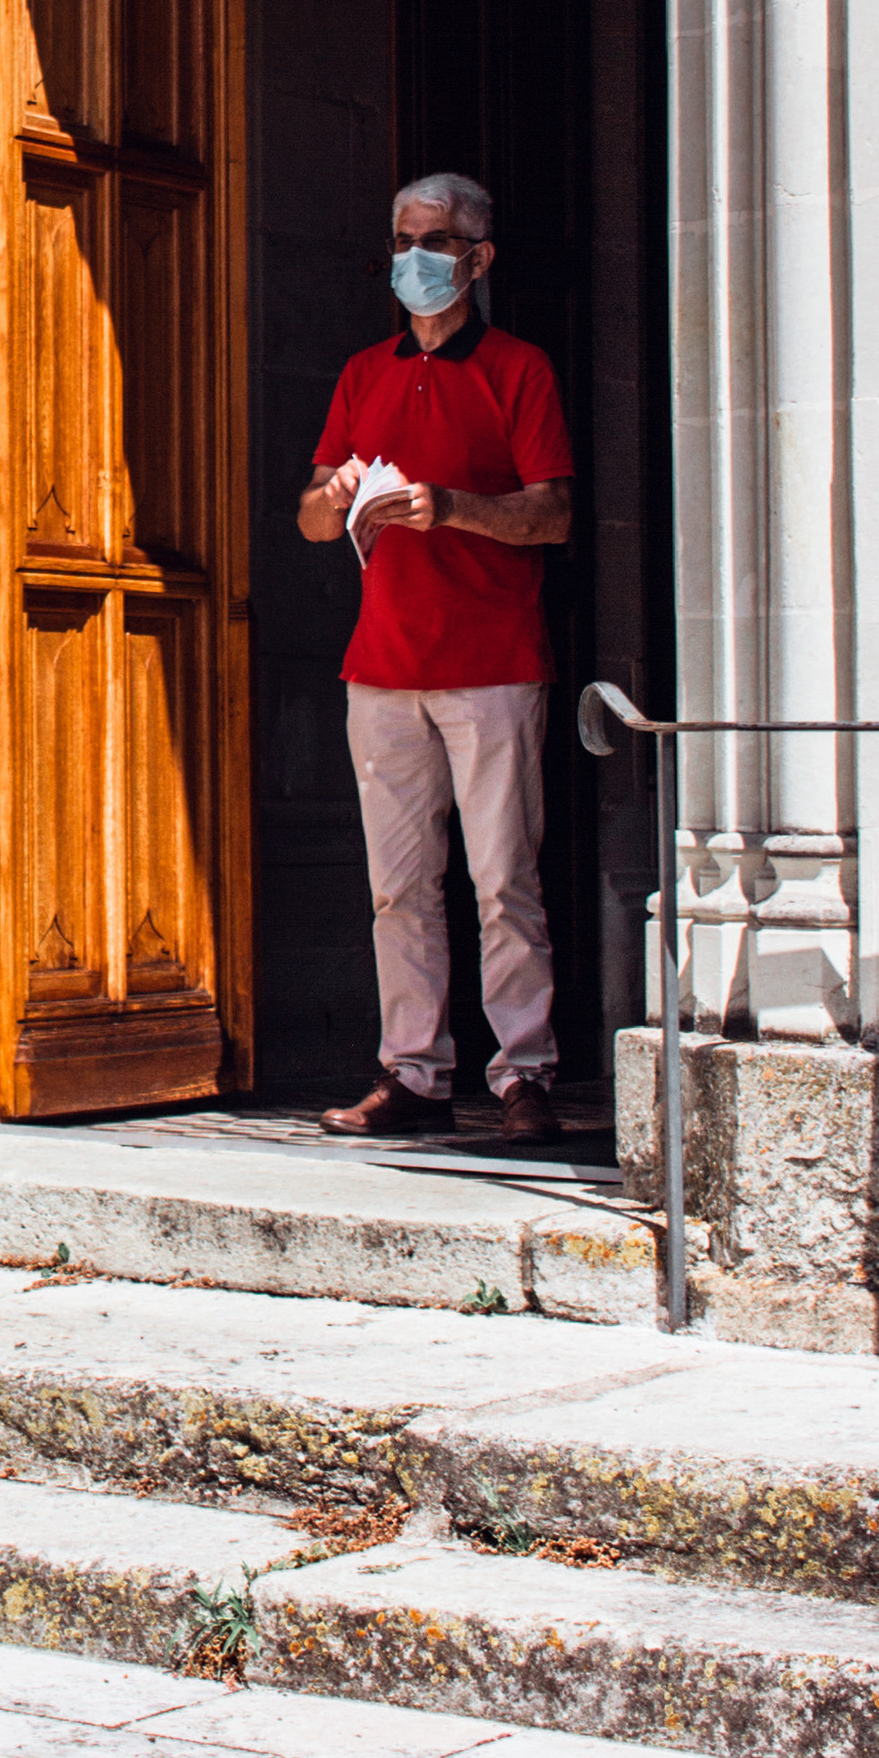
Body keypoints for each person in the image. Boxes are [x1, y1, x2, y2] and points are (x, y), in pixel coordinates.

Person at [297, 172, 572, 1146]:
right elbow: (310, 518)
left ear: (476, 258)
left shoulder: (518, 371)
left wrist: (447, 506)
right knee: (397, 886)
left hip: (494, 662)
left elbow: (552, 512)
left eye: (435, 239)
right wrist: (332, 498)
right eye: (403, 239)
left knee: (504, 881)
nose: (414, 257)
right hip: (381, 667)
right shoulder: (362, 374)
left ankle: (523, 1072)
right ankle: (413, 1071)